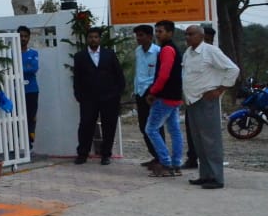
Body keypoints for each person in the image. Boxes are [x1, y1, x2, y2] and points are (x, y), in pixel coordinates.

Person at [182, 24, 239, 190]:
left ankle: (216, 177)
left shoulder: (211, 51)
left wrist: (220, 89)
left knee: (211, 140)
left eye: (191, 34)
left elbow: (233, 69)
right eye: (186, 34)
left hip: (206, 100)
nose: (188, 37)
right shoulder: (188, 53)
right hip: (192, 101)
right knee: (199, 141)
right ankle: (205, 175)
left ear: (201, 36)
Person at [72, 26, 125, 164]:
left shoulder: (109, 54)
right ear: (87, 39)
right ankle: (82, 154)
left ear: (99, 39)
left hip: (109, 97)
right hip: (88, 98)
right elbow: (77, 78)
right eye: (90, 37)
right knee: (86, 125)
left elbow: (119, 74)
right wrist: (79, 95)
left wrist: (117, 93)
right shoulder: (80, 56)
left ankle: (106, 155)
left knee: (109, 126)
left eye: (96, 37)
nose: (93, 39)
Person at [145, 20, 185, 178]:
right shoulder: (172, 48)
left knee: (151, 129)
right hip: (175, 96)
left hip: (165, 96)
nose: (157, 34)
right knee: (174, 130)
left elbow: (163, 75)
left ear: (170, 33)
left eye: (160, 31)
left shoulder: (167, 49)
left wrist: (153, 91)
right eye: (156, 31)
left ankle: (165, 163)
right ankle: (176, 164)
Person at [132, 24, 164, 167]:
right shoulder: (138, 51)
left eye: (141, 35)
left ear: (150, 37)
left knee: (155, 126)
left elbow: (161, 74)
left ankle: (162, 158)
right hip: (140, 92)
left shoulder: (158, 52)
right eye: (137, 35)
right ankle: (155, 155)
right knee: (143, 126)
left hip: (152, 93)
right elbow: (139, 72)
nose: (138, 38)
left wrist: (154, 91)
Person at [18, 26, 39, 150]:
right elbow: (10, 69)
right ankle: (17, 145)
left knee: (31, 117)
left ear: (29, 38)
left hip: (31, 90)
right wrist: (26, 67)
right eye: (21, 36)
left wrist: (19, 68)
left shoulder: (33, 53)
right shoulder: (11, 53)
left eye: (25, 36)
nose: (23, 38)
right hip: (15, 91)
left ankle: (29, 144)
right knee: (17, 118)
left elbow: (34, 68)